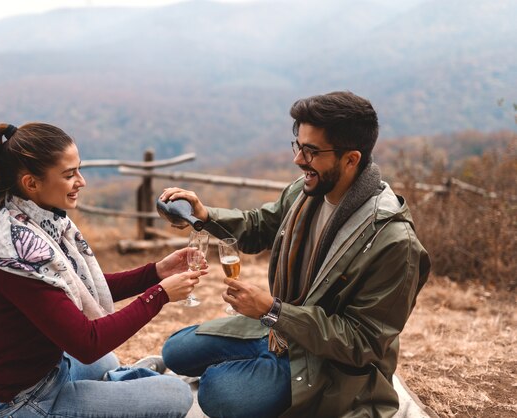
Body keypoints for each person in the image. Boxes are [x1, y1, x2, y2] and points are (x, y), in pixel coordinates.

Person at [160, 91, 431, 418]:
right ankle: (260, 367)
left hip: (328, 367)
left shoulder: (392, 241)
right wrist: (206, 216)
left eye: (311, 151)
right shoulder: (307, 191)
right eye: (297, 145)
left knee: (218, 392)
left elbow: (364, 341)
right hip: (278, 332)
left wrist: (273, 311)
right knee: (175, 352)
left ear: (351, 159)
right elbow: (259, 226)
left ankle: (260, 374)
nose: (298, 159)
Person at [0, 122, 204, 418]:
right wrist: (159, 295)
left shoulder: (36, 220)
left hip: (51, 370)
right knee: (176, 395)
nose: (81, 181)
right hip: (29, 403)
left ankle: (118, 385)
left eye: (78, 170)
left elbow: (78, 288)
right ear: (31, 183)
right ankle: (126, 386)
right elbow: (87, 343)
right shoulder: (20, 251)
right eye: (69, 174)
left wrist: (156, 272)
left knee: (106, 363)